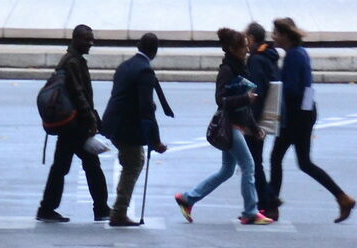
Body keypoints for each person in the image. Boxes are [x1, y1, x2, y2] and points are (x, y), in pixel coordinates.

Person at [176, 29, 272, 225]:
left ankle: (188, 198)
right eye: (243, 47)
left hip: (237, 125)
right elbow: (221, 100)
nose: (247, 49)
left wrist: (254, 128)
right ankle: (250, 212)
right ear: (232, 49)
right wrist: (245, 98)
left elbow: (245, 107)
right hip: (230, 127)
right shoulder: (227, 70)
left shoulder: (239, 68)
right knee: (248, 166)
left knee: (227, 170)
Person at [264, 18, 356, 223]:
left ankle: (272, 207)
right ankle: (341, 198)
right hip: (303, 113)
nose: (273, 37)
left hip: (298, 116)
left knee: (284, 158)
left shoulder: (294, 56)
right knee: (293, 160)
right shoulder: (298, 53)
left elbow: (292, 89)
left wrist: (274, 85)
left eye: (276, 33)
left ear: (286, 35)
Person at [37, 25, 109, 223]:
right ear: (76, 39)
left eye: (91, 39)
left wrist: (94, 118)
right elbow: (79, 94)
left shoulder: (71, 60)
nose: (90, 43)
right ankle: (101, 208)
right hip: (75, 125)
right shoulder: (72, 62)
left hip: (71, 123)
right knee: (91, 164)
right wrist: (91, 120)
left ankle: (47, 208)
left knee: (61, 166)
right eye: (87, 39)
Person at [100, 33, 170, 227]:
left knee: (132, 162)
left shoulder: (125, 65)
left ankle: (119, 210)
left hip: (114, 123)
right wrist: (155, 141)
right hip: (127, 127)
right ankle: (119, 212)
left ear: (139, 46)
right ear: (155, 51)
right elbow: (146, 109)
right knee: (133, 164)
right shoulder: (145, 71)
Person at [242, 22, 279, 216]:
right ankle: (266, 201)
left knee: (253, 163)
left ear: (252, 38)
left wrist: (252, 123)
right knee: (256, 162)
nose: (244, 42)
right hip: (266, 118)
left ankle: (268, 202)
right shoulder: (269, 57)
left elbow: (257, 91)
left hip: (256, 119)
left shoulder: (257, 60)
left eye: (246, 37)